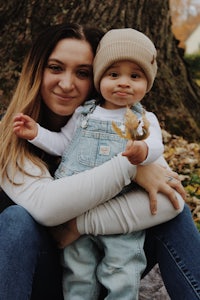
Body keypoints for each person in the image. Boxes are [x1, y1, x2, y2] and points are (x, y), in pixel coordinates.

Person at [0, 23, 199, 300]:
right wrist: (129, 169)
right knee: (16, 220)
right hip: (42, 275)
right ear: (36, 70)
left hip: (112, 263)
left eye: (82, 72)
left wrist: (78, 226)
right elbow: (46, 207)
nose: (67, 84)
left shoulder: (126, 123)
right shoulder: (10, 136)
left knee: (175, 214)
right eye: (55, 68)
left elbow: (171, 203)